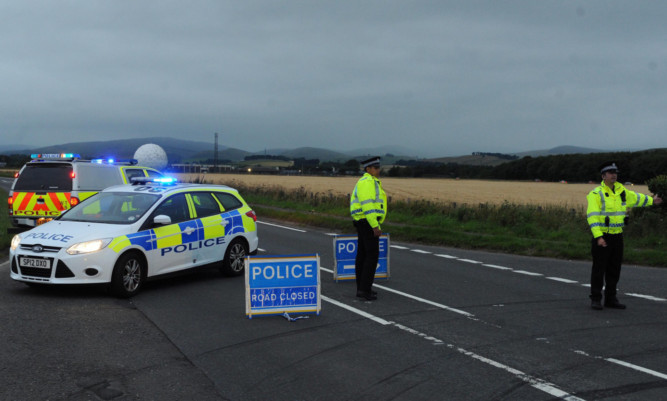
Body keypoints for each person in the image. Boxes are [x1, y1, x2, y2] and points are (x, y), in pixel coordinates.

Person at [586, 161, 663, 310]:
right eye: (610, 173)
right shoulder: (596, 194)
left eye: (615, 172)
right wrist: (599, 237)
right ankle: (595, 299)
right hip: (603, 237)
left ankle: (611, 299)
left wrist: (652, 201)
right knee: (599, 270)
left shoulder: (622, 191)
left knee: (614, 270)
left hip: (617, 236)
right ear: (603, 176)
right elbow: (592, 217)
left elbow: (637, 198)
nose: (614, 175)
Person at [350, 156, 387, 301]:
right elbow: (368, 206)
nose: (378, 170)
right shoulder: (367, 182)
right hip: (367, 222)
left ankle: (363, 288)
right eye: (376, 168)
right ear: (368, 169)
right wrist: (375, 226)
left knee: (363, 255)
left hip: (363, 221)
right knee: (371, 256)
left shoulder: (368, 181)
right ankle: (364, 290)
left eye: (378, 167)